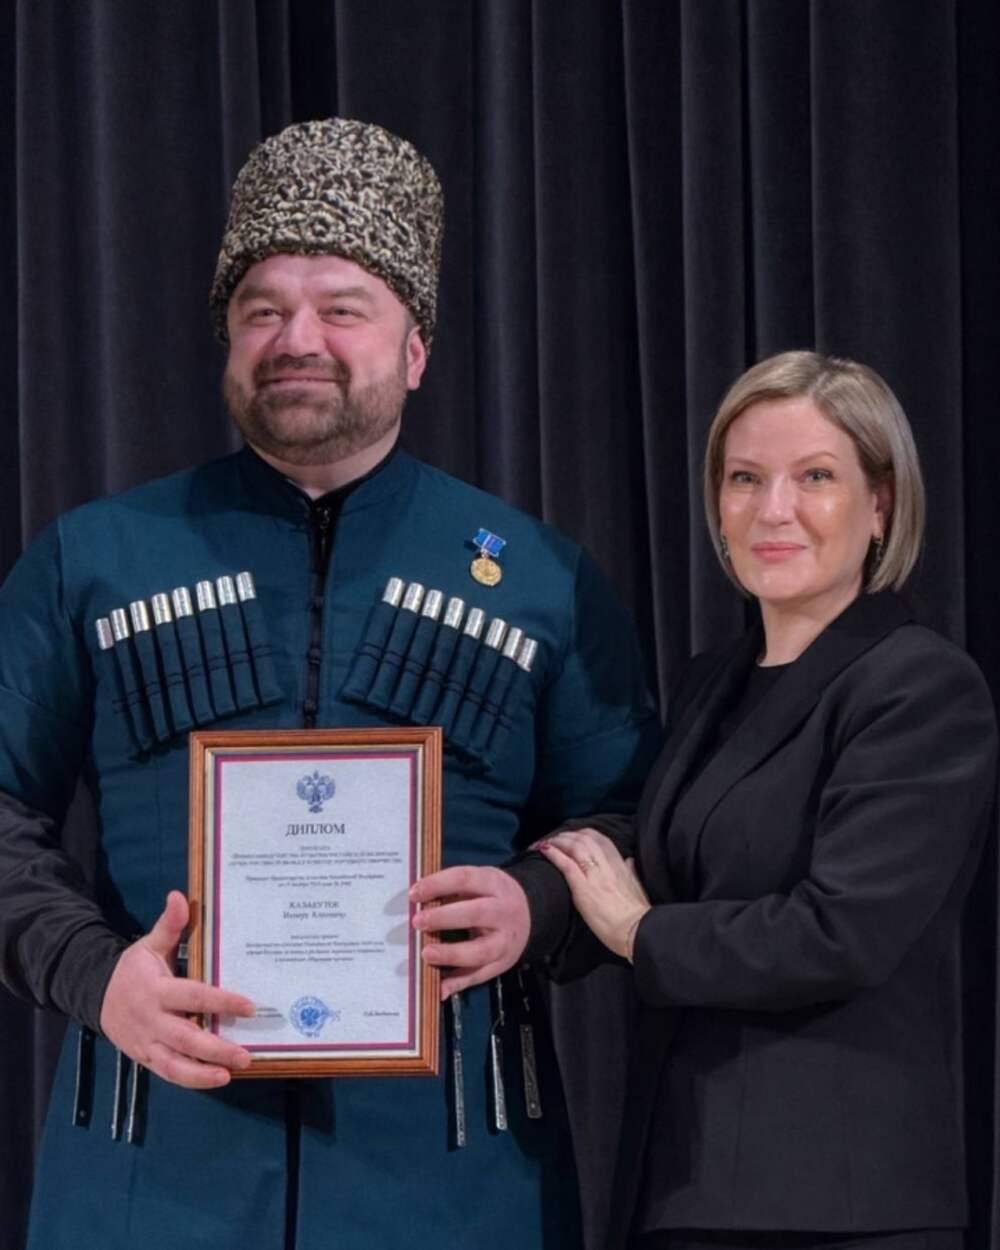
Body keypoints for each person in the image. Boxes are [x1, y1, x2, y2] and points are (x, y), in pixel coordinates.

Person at [0, 118, 658, 1250]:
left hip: (455, 1186)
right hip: (149, 1177)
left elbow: (637, 817)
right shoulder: (93, 560)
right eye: (263, 309)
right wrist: (96, 976)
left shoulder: (538, 578)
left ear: (416, 348)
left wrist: (536, 905)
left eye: (342, 307)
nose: (297, 339)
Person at [538, 351, 998, 1250]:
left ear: (881, 504)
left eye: (815, 477)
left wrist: (639, 933)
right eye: (745, 478)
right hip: (684, 1180)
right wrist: (525, 898)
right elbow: (653, 861)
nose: (773, 509)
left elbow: (839, 933)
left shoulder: (920, 687)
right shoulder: (712, 681)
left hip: (837, 1209)